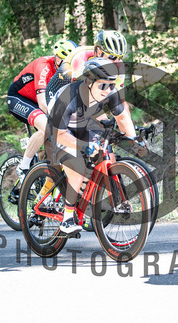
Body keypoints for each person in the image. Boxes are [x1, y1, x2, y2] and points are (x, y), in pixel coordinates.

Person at [46, 58, 140, 234]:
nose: (108, 90)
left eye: (111, 85)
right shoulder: (68, 97)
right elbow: (59, 134)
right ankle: (67, 218)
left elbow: (122, 118)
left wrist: (134, 141)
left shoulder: (110, 93)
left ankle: (97, 196)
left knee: (107, 153)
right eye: (103, 85)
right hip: (61, 128)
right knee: (77, 165)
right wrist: (82, 146)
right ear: (89, 82)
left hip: (85, 122)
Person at [6, 39, 77, 188]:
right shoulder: (43, 66)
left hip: (38, 102)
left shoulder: (70, 72)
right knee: (46, 127)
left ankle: (47, 185)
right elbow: (43, 103)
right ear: (56, 57)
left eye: (69, 62)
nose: (65, 65)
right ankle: (23, 167)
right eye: (62, 61)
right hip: (19, 97)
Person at [44, 29, 127, 104]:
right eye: (112, 57)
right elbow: (79, 92)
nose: (116, 61)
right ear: (99, 52)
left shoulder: (119, 65)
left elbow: (118, 96)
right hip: (56, 91)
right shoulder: (80, 56)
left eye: (120, 57)